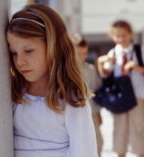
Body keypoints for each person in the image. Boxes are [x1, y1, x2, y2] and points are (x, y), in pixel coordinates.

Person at [7, 4, 98, 157]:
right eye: (14, 53)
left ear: (53, 47)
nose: (20, 61)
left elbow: (84, 152)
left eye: (28, 51)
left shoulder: (71, 100)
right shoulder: (13, 93)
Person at [97, 20, 144, 157]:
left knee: (139, 129)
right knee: (120, 129)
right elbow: (105, 75)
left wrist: (135, 66)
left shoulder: (140, 50)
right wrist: (100, 62)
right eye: (117, 36)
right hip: (120, 97)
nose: (121, 38)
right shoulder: (113, 53)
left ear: (130, 33)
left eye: (124, 35)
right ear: (112, 36)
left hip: (138, 95)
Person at [71, 34, 103, 157]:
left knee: (97, 143)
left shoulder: (90, 69)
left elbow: (95, 92)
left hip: (92, 114)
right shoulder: (65, 70)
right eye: (79, 53)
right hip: (74, 115)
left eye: (85, 53)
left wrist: (98, 114)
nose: (82, 57)